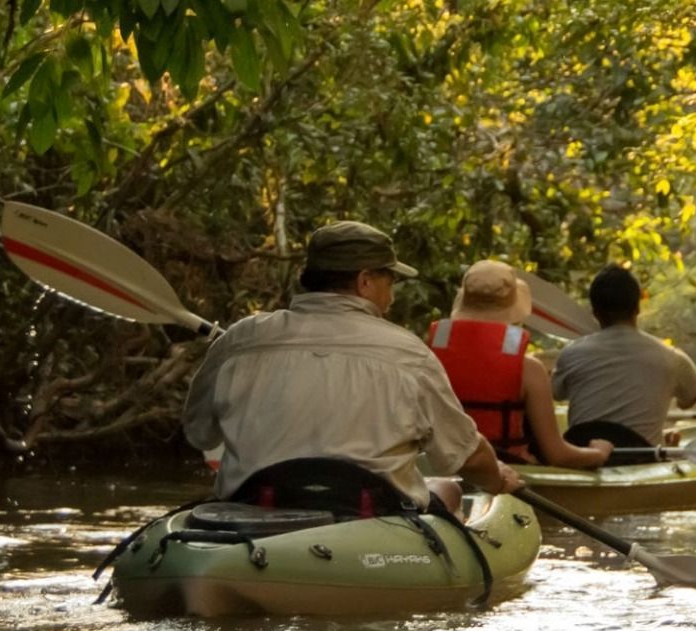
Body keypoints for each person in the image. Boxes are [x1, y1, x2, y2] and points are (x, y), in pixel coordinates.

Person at [182, 221, 521, 517]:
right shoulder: (408, 354)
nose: (391, 297)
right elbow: (467, 456)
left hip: (253, 509)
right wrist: (496, 478)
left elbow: (199, 433)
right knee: (449, 489)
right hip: (368, 519)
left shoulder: (241, 338)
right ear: (365, 282)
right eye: (390, 282)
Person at [552, 264, 696, 454]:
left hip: (582, 457)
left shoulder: (571, 354)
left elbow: (555, 393)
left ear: (595, 312)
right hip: (640, 459)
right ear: (637, 307)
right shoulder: (669, 357)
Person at [428, 259, 612, 469]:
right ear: (515, 307)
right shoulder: (529, 370)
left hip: (441, 470)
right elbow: (558, 456)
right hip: (508, 475)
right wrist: (598, 453)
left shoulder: (429, 358)